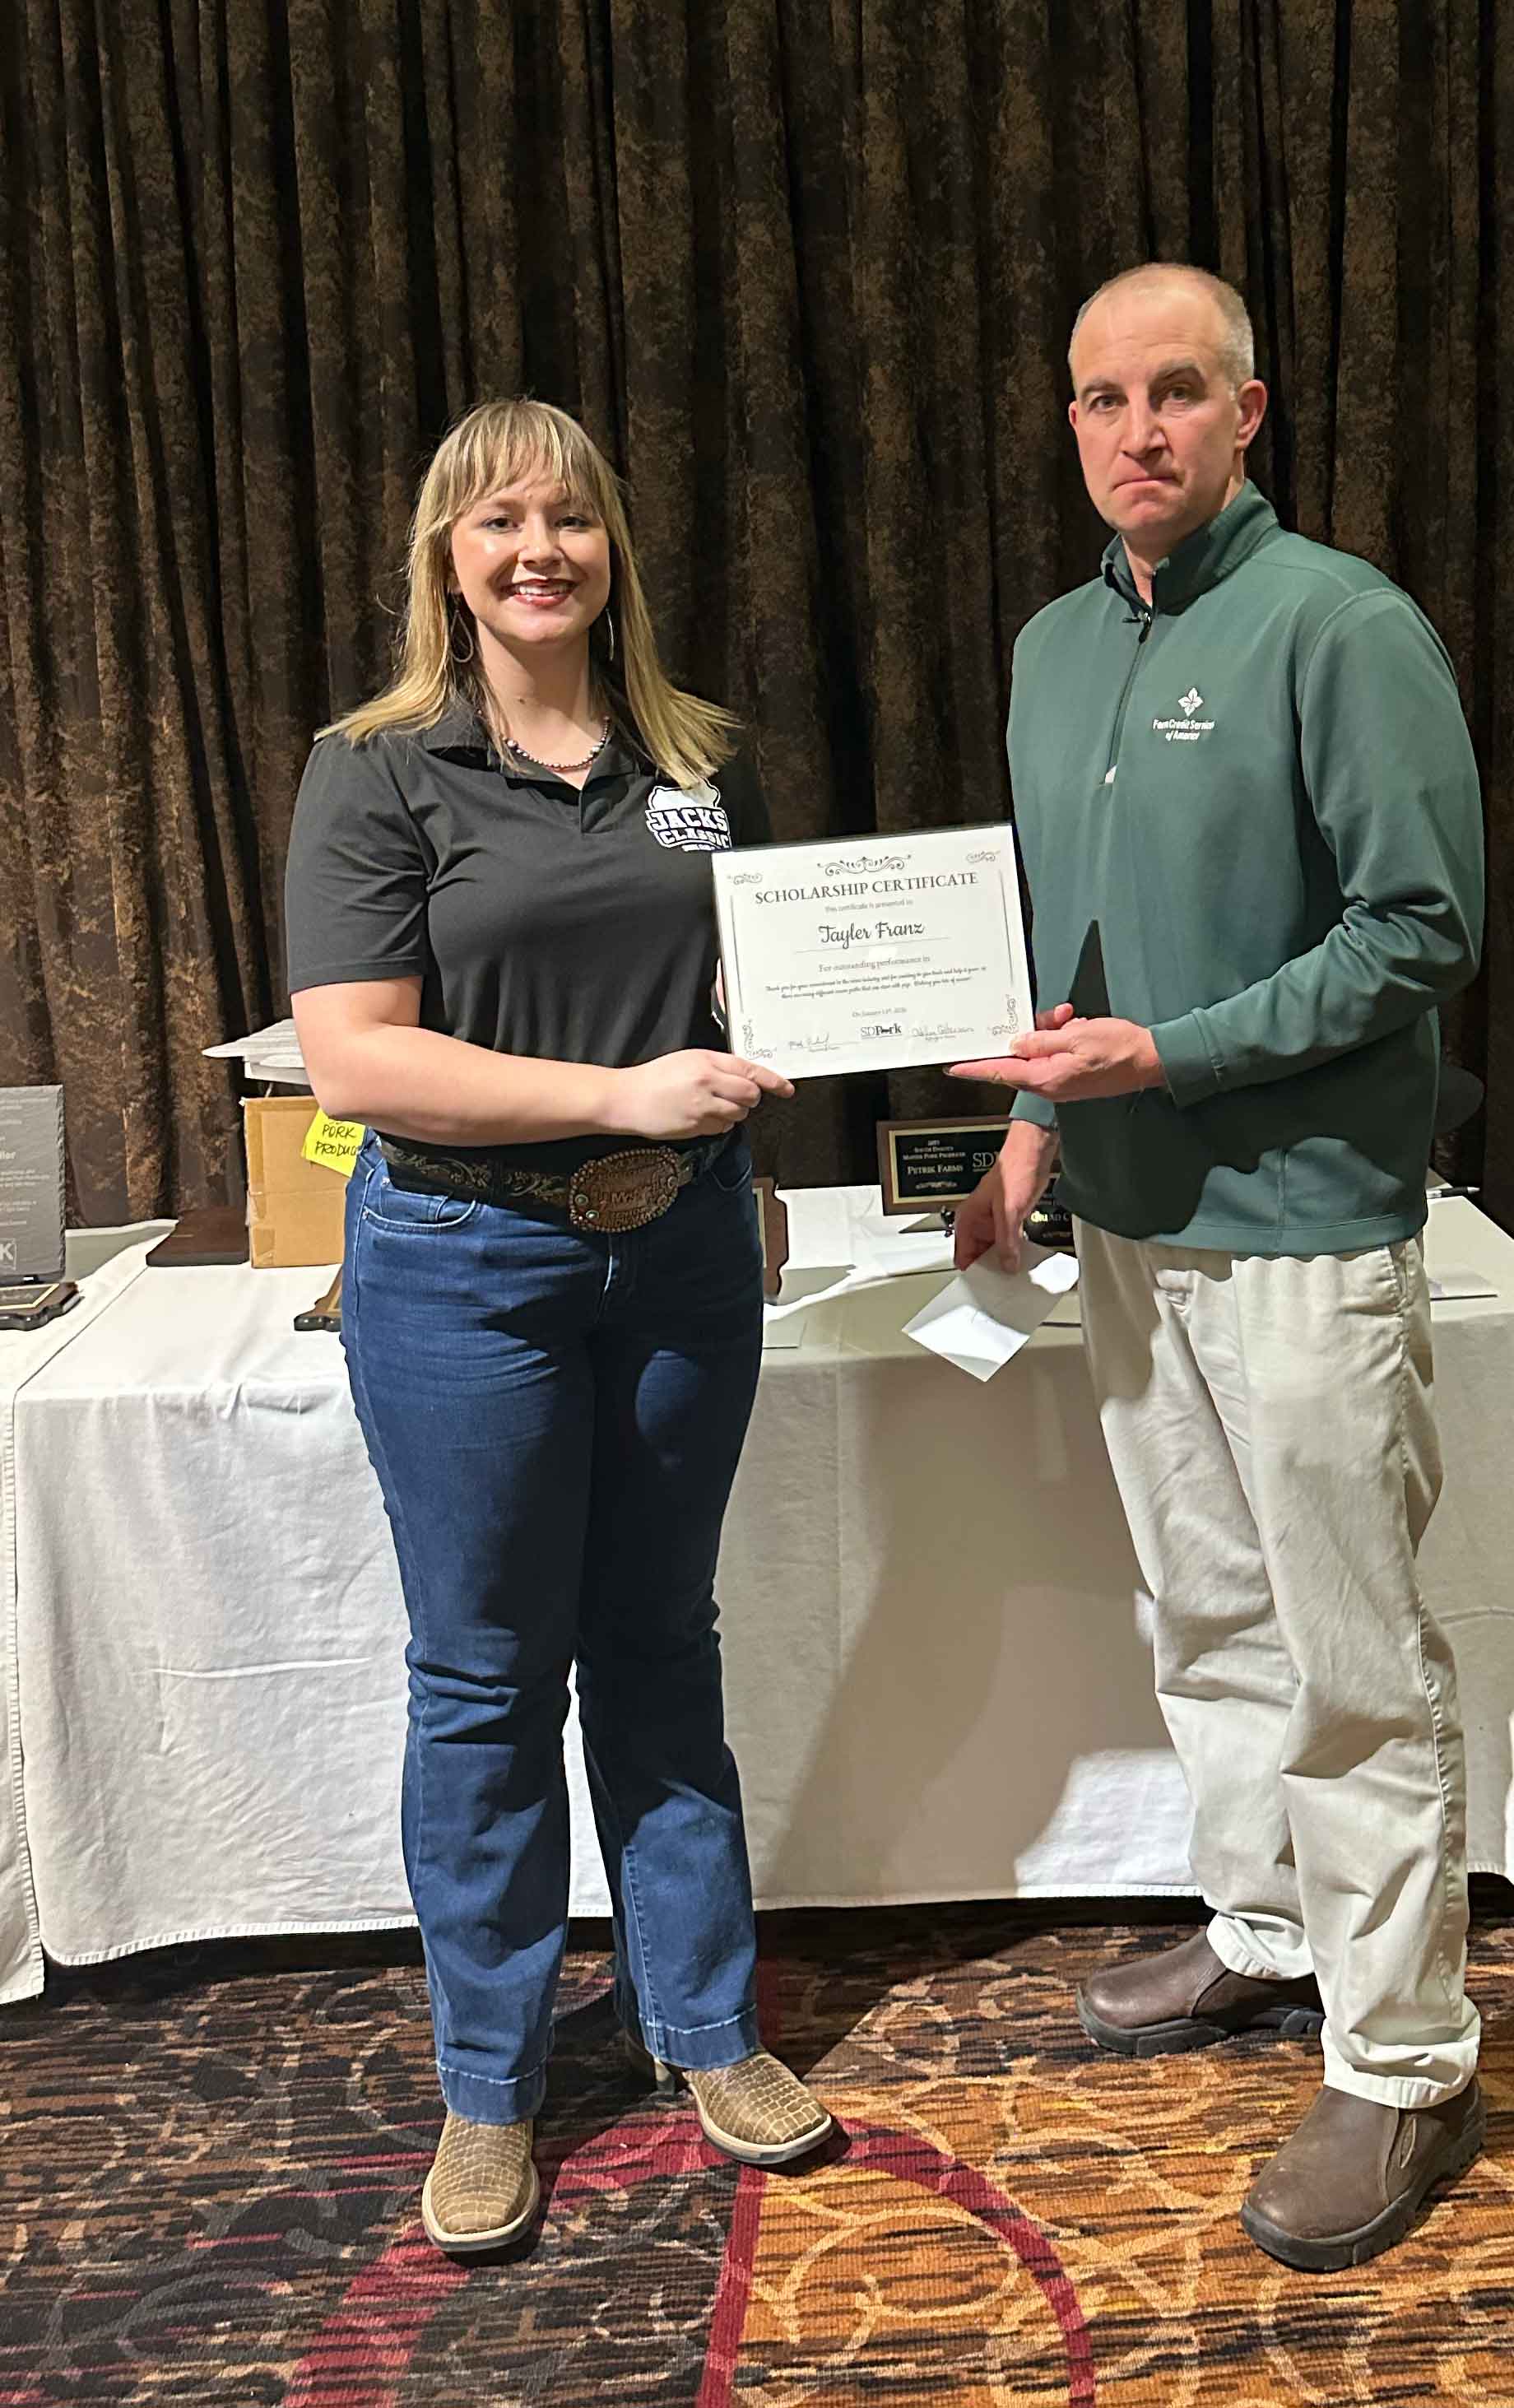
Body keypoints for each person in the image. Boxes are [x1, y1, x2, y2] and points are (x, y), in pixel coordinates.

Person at [951, 265, 1486, 2272]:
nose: (1137, 431)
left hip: (1307, 1224)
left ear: (1251, 412)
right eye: (1101, 398)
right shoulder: (1051, 647)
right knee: (1209, 1614)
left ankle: (1412, 2057)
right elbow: (1082, 951)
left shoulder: (1341, 623)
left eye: (1177, 392)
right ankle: (1267, 1931)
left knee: (1355, 1652)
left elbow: (1421, 927)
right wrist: (1033, 1130)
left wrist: (1166, 1059)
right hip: (1131, 1223)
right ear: (1071, 423)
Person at [286, 398, 831, 2257]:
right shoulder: (378, 769)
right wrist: (617, 1102)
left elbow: (748, 985)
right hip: (461, 1266)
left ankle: (704, 2024)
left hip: (677, 1256)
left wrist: (750, 1140)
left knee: (659, 1641)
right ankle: (492, 2080)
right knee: (486, 1675)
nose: (542, 549)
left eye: (574, 517)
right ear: (449, 552)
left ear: (616, 547)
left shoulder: (702, 758)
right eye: (502, 519)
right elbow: (357, 1054)